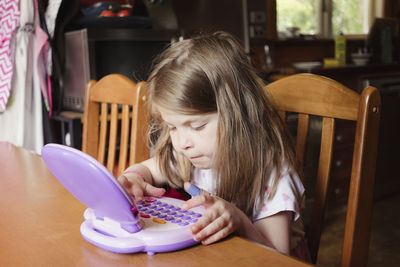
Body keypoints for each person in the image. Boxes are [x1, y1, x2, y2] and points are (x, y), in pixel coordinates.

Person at [118, 31, 310, 261]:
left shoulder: (272, 173)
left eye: (197, 126)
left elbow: (278, 257)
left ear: (238, 116)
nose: (182, 144)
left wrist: (239, 221)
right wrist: (135, 178)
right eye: (173, 127)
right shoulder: (193, 155)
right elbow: (149, 168)